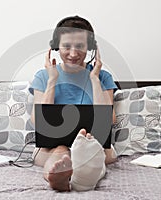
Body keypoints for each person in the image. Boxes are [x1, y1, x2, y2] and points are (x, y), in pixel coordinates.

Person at [29, 15, 118, 192]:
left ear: (90, 47)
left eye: (80, 46)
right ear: (56, 47)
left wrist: (94, 79)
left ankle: (79, 177)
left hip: (93, 143)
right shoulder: (43, 76)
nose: (73, 53)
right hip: (52, 148)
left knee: (88, 149)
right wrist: (52, 80)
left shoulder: (103, 77)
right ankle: (57, 178)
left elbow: (109, 119)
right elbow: (38, 122)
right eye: (66, 46)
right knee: (60, 150)